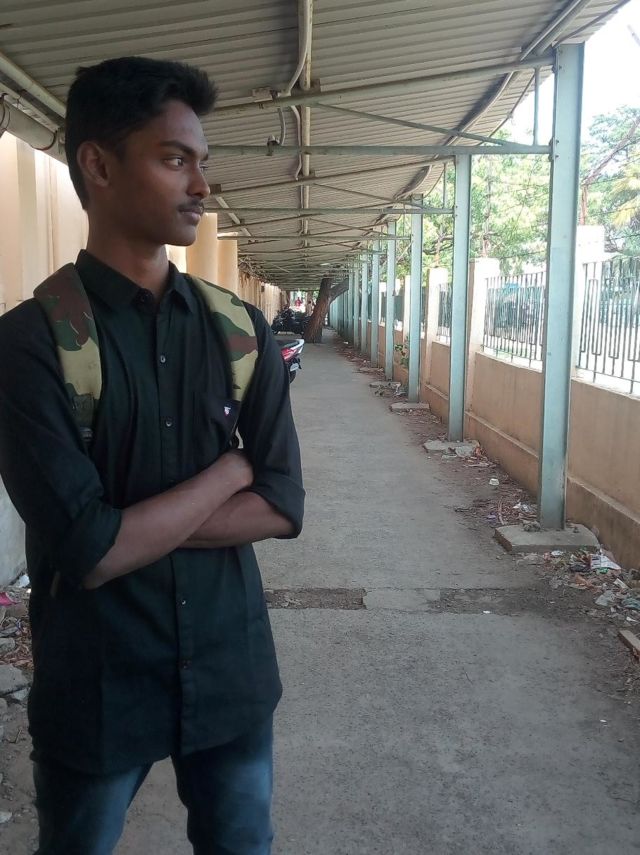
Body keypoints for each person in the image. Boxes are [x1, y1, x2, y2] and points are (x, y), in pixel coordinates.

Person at [0, 56, 304, 855]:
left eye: (201, 162)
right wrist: (230, 470)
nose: (200, 185)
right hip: (98, 682)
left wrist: (125, 526)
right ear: (98, 166)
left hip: (231, 669)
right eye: (174, 160)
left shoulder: (240, 330)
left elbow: (283, 503)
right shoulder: (30, 344)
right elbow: (88, 550)